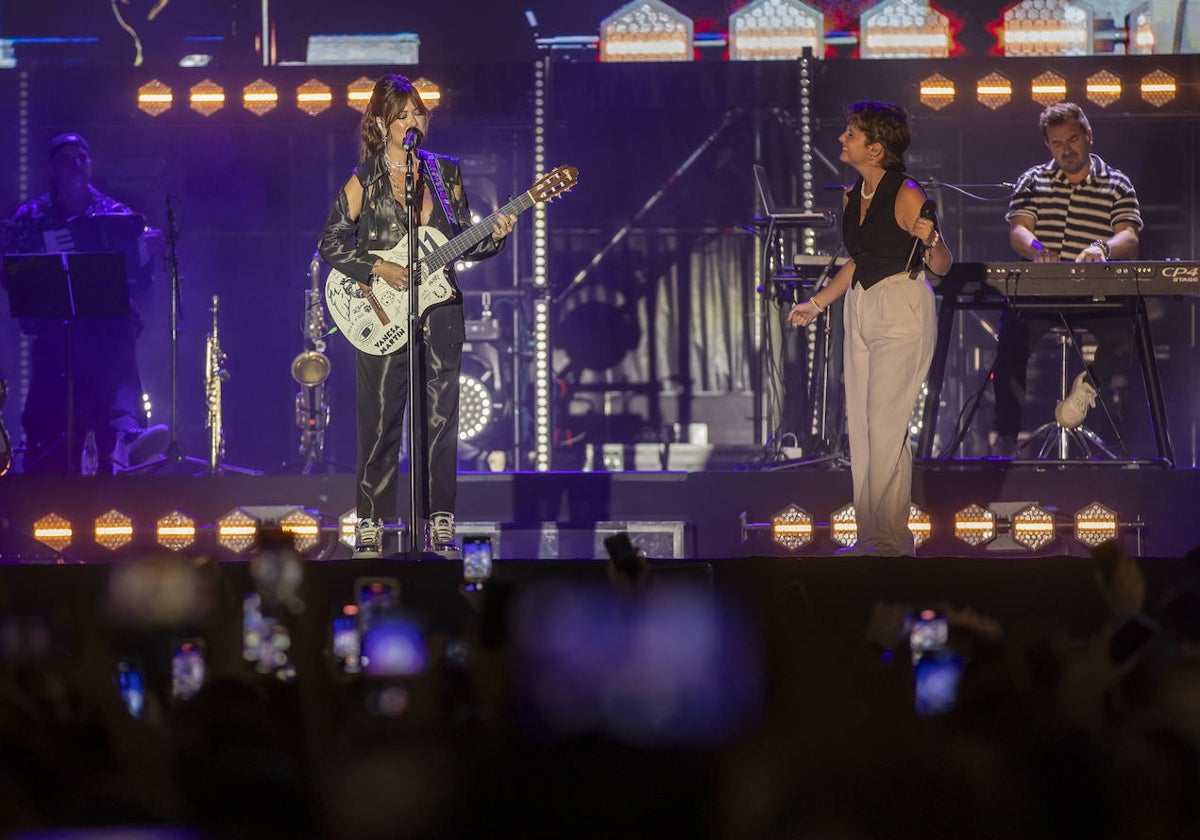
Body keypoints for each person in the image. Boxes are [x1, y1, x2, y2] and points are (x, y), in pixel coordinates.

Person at [318, 74, 515, 558]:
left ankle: (441, 522)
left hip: (441, 309)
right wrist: (380, 265)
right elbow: (331, 241)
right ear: (383, 124)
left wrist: (497, 234)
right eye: (401, 115)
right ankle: (370, 522)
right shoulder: (365, 177)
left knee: (440, 420)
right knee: (381, 418)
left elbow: (463, 243)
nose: (412, 122)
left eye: (417, 113)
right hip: (380, 309)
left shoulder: (446, 173)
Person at [788, 101, 951, 556]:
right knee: (860, 425)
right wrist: (817, 303)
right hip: (860, 304)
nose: (842, 138)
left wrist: (930, 239)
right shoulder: (850, 195)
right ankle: (879, 536)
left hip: (901, 303)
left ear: (876, 149)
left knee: (885, 424)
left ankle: (886, 538)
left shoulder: (907, 193)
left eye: (852, 134)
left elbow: (942, 263)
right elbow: (857, 259)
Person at [1, 132, 169, 474]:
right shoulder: (31, 217)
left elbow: (139, 277)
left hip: (104, 330)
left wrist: (146, 251)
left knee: (115, 346)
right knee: (42, 413)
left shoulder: (114, 213)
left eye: (82, 158)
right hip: (53, 328)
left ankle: (127, 433)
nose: (76, 165)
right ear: (52, 168)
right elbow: (9, 266)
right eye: (67, 158)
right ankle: (41, 467)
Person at [991, 102, 1143, 458]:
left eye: (1073, 140)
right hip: (1041, 292)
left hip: (1096, 294)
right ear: (1048, 146)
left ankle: (1087, 388)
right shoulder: (1033, 179)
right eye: (1057, 143)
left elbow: (1130, 237)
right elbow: (1018, 232)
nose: (1066, 150)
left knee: (1126, 331)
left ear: (1089, 136)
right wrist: (1038, 250)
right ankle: (1007, 438)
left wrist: (1101, 248)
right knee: (1010, 341)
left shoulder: (1117, 182)